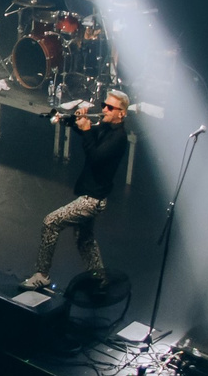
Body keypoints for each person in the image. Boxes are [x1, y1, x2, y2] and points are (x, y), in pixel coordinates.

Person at [22, 89, 130, 291]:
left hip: (93, 201)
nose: (104, 109)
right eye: (104, 105)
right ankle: (99, 279)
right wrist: (71, 121)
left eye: (110, 107)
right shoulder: (106, 127)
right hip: (89, 195)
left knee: (51, 222)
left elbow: (96, 157)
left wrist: (87, 130)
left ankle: (42, 275)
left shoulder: (119, 138)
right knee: (85, 240)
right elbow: (87, 132)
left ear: (121, 113)